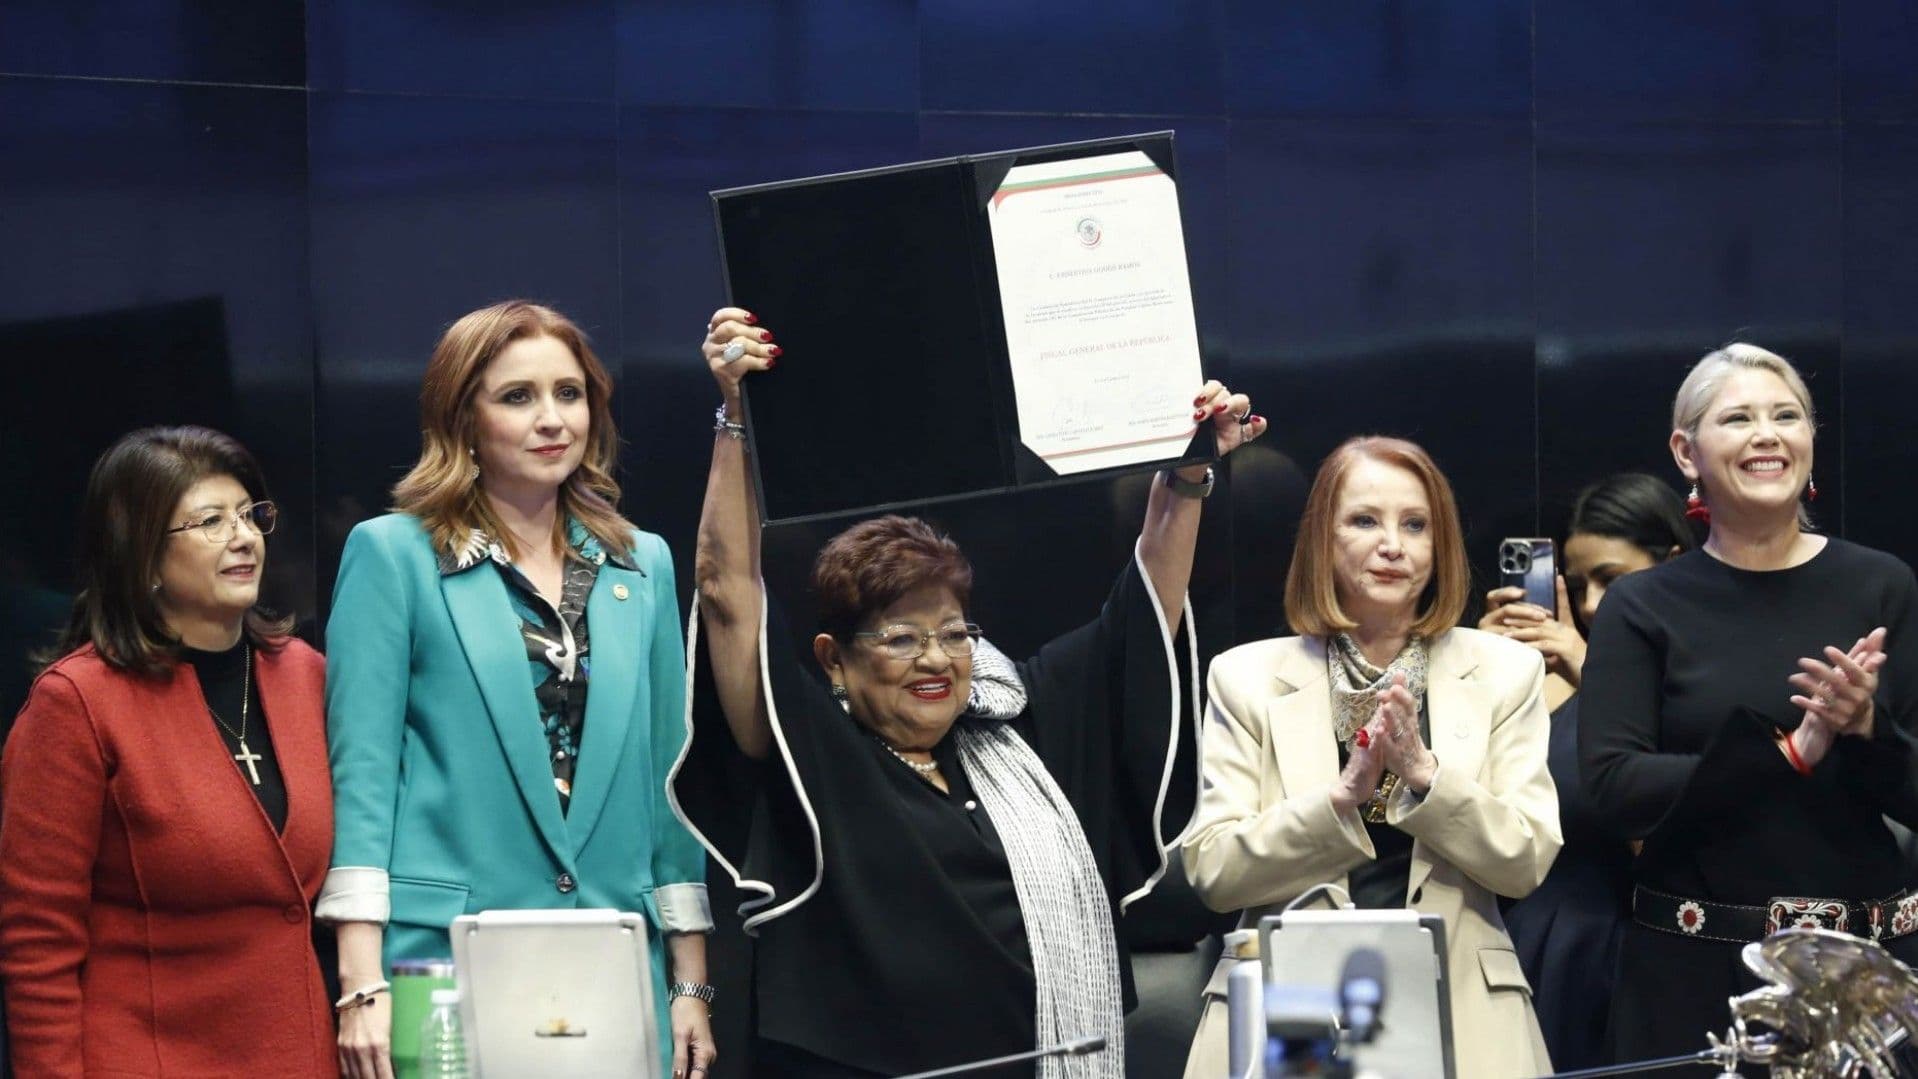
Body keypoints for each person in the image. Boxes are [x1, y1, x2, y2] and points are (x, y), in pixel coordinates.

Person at [675, 306, 1263, 1077]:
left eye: (954, 632)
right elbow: (726, 589)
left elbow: (1144, 605)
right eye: (900, 636)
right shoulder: (814, 753)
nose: (937, 659)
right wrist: (736, 418)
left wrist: (1186, 476)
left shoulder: (1018, 726)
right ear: (833, 659)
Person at [322, 301, 714, 1079]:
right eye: (517, 397)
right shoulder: (394, 554)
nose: (552, 419)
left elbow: (669, 781)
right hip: (439, 958)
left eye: (570, 394)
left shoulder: (645, 561)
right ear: (462, 417)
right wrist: (359, 980)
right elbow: (362, 777)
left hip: (612, 947)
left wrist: (691, 979)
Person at [1580, 343, 1918, 1068]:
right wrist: (1783, 755)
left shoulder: (1882, 586)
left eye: (1786, 415)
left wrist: (1865, 729)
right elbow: (1613, 787)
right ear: (1686, 450)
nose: (1767, 434)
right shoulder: (1642, 604)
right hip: (1696, 977)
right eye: (1738, 417)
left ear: (1809, 442)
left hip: (1865, 987)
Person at [1181, 435, 1561, 1079]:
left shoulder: (1505, 671)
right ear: (1322, 541)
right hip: (1291, 1010)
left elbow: (1525, 861)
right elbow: (1215, 873)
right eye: (1364, 520)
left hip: (1465, 1013)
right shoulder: (1243, 677)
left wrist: (1426, 777)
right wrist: (1341, 799)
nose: (1394, 544)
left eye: (1416, 525)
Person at [0, 426, 336, 1077]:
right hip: (148, 1056)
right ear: (145, 556)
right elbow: (37, 942)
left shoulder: (304, 673)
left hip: (300, 1052)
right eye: (210, 521)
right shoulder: (78, 701)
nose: (243, 537)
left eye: (250, 514)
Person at [1482, 473, 1697, 1069]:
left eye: (1612, 578)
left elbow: (1677, 842)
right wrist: (1473, 682)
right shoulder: (1541, 679)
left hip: (1649, 951)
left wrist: (1589, 670)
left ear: (1673, 565)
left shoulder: (1698, 682)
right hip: (1537, 946)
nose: (1591, 604)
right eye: (1578, 585)